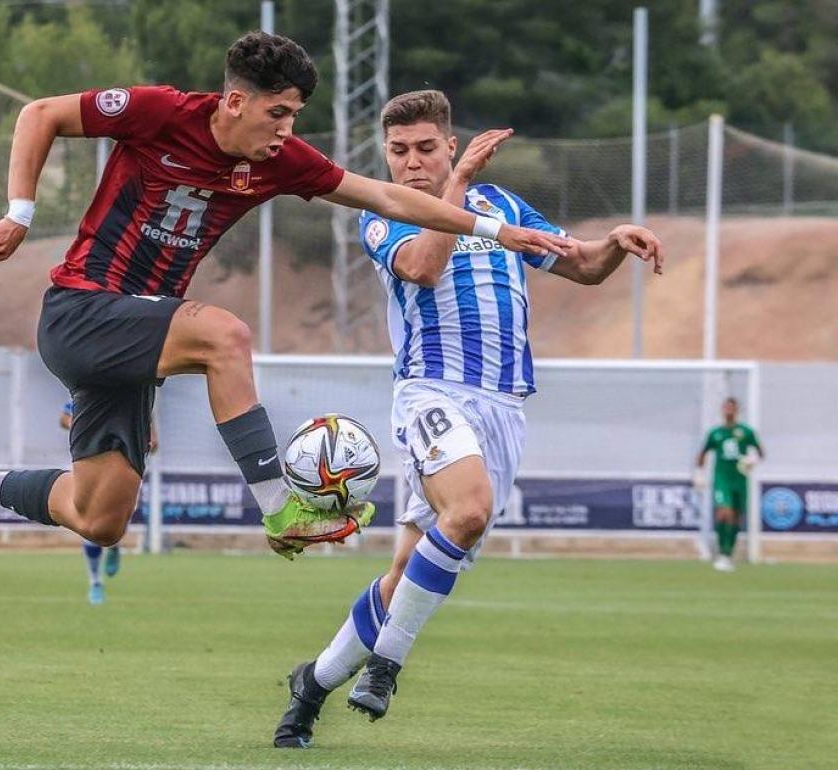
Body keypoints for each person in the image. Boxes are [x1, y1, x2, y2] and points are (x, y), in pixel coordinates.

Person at [0, 32, 570, 562]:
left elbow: (387, 196)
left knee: (101, 517)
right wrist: (19, 214)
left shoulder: (279, 161)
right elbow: (42, 114)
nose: (287, 129)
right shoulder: (162, 112)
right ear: (234, 102)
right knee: (225, 336)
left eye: (295, 115)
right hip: (81, 308)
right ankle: (282, 507)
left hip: (135, 336)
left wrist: (494, 227)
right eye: (277, 112)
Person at [272, 90, 666, 747]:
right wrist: (456, 185)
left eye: (427, 149)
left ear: (449, 144)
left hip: (504, 408)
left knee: (403, 575)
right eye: (399, 151)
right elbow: (424, 268)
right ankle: (387, 666)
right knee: (470, 510)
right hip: (433, 393)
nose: (413, 162)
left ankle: (310, 686)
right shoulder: (380, 214)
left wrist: (616, 244)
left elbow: (583, 266)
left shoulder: (503, 207)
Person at [59, 399, 155, 605]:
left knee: (112, 519)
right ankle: (95, 582)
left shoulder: (134, 391)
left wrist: (150, 437)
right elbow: (65, 417)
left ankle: (112, 544)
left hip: (125, 462)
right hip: (90, 459)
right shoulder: (90, 386)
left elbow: (150, 431)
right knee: (89, 522)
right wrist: (81, 425)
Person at [694, 397, 763, 572]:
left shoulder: (746, 432)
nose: (729, 411)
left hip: (739, 479)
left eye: (732, 408)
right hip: (722, 478)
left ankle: (728, 554)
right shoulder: (715, 433)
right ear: (722, 410)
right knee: (724, 512)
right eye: (726, 408)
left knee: (736, 517)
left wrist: (751, 460)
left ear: (736, 410)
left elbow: (760, 452)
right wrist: (699, 474)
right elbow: (702, 454)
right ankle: (722, 554)